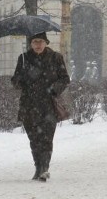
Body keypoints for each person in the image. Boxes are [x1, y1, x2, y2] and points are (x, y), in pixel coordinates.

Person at [11, 32, 71, 182]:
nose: (38, 45)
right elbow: (15, 81)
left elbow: (65, 78)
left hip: (48, 104)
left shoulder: (56, 58)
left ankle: (44, 168)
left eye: (41, 41)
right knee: (34, 138)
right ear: (31, 43)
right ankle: (38, 166)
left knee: (46, 138)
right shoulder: (24, 58)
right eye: (35, 42)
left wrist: (54, 89)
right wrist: (21, 78)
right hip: (29, 105)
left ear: (46, 42)